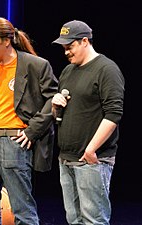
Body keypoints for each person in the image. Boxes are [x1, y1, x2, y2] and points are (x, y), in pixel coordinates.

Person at [0, 17, 58, 225]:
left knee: (21, 208)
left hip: (13, 141)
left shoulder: (35, 65)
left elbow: (54, 99)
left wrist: (32, 131)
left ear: (6, 41)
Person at [51, 20, 125, 225]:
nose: (66, 52)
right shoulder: (68, 71)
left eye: (70, 46)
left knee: (94, 220)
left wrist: (91, 150)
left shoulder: (106, 69)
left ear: (85, 41)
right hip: (66, 159)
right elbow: (60, 113)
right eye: (64, 48)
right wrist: (55, 105)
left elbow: (113, 114)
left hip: (92, 160)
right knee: (73, 219)